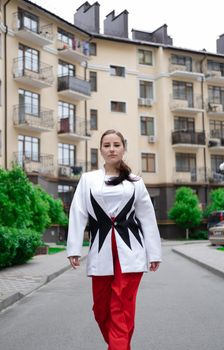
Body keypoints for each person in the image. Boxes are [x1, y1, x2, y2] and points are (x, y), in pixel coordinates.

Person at [67, 129, 162, 350]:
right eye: (107, 145)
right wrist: (73, 248)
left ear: (124, 148)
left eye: (116, 144)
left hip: (131, 253)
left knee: (121, 308)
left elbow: (147, 218)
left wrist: (154, 253)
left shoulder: (136, 182)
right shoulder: (88, 179)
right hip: (100, 252)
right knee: (101, 309)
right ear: (100, 149)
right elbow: (78, 212)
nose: (112, 149)